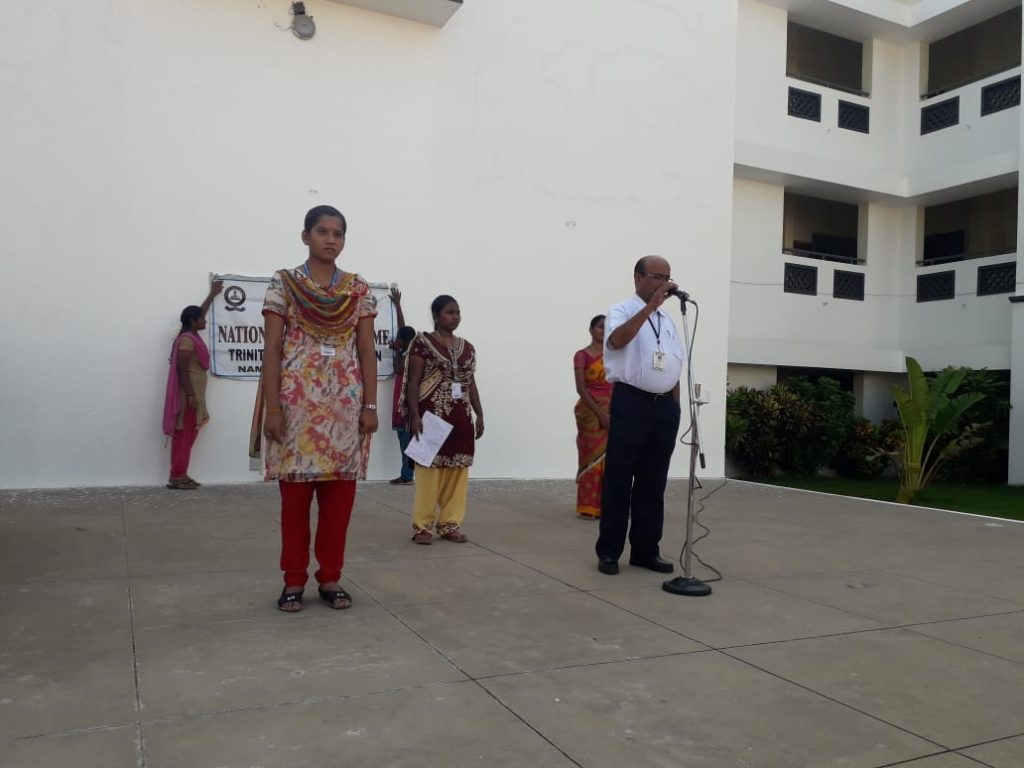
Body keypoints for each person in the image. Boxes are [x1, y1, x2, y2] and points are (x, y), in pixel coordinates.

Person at [260, 205, 378, 613]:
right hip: (296, 410)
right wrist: (273, 408)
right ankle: (293, 580)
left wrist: (370, 404)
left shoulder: (358, 289)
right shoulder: (284, 284)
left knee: (338, 506)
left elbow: (367, 350)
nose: (331, 239)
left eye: (338, 233)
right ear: (305, 236)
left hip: (345, 411)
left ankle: (330, 578)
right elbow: (272, 348)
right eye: (322, 231)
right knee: (294, 506)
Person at [595, 256, 685, 575]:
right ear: (637, 278)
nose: (664, 283)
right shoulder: (621, 310)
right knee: (620, 478)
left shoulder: (669, 321)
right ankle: (609, 552)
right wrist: (650, 307)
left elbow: (674, 364)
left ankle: (646, 550)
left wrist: (674, 406)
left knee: (653, 481)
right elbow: (617, 341)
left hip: (663, 407)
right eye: (657, 276)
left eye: (667, 277)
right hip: (631, 401)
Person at [404, 295, 484, 544]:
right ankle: (422, 527)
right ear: (436, 316)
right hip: (432, 417)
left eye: (458, 312)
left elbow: (470, 383)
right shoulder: (422, 343)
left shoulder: (467, 347)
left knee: (458, 472)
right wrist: (414, 417)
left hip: (461, 418)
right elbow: (413, 382)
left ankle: (450, 524)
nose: (455, 317)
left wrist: (479, 413)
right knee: (428, 473)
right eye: (450, 312)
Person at [162, 280, 223, 490]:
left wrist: (212, 294)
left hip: (194, 395)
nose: (205, 321)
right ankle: (177, 476)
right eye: (201, 319)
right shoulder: (187, 341)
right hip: (188, 398)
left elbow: (199, 313)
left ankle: (181, 473)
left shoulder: (191, 334)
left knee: (189, 435)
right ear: (193, 321)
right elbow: (181, 369)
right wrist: (190, 395)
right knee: (184, 435)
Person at [573, 314, 613, 519]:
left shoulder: (615, 355)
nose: (603, 331)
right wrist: (601, 414)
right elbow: (581, 388)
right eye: (599, 327)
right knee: (592, 457)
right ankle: (588, 506)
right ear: (591, 330)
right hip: (589, 412)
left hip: (614, 409)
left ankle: (609, 506)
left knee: (614, 459)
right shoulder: (581, 355)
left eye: (607, 327)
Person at [387, 286, 416, 485]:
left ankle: (407, 475)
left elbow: (397, 368)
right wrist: (398, 305)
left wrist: (396, 351)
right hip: (400, 404)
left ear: (405, 342)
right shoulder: (408, 348)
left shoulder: (408, 357)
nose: (395, 340)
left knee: (406, 441)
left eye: (398, 340)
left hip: (404, 406)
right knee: (403, 440)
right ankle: (406, 473)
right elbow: (403, 328)